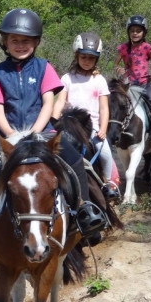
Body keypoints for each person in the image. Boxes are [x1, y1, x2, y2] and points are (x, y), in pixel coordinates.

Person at [0, 9, 107, 247]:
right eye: (14, 40)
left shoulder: (43, 67)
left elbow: (48, 102)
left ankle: (83, 209)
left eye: (26, 40)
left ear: (36, 42)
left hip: (43, 132)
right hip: (8, 133)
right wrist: (11, 135)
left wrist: (36, 131)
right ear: (4, 42)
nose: (20, 45)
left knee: (76, 161)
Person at [52, 32, 120, 200]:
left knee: (104, 152)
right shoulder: (67, 78)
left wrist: (103, 129)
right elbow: (60, 102)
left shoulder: (99, 80)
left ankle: (108, 183)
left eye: (91, 58)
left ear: (96, 59)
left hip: (91, 127)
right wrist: (53, 124)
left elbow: (104, 108)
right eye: (83, 57)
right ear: (77, 56)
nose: (87, 61)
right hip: (68, 126)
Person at [114, 15, 151, 143]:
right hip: (127, 84)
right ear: (128, 32)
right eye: (132, 31)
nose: (135, 33)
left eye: (138, 31)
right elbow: (116, 64)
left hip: (143, 83)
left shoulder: (147, 47)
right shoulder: (123, 48)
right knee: (114, 100)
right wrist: (119, 69)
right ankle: (112, 129)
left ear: (144, 32)